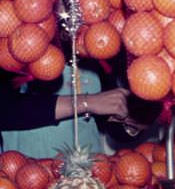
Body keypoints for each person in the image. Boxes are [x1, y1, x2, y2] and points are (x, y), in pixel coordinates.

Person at [1, 65, 129, 157]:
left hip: (86, 175)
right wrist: (85, 102)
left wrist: (132, 122)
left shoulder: (97, 50)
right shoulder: (12, 50)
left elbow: (110, 126)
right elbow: (5, 110)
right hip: (27, 173)